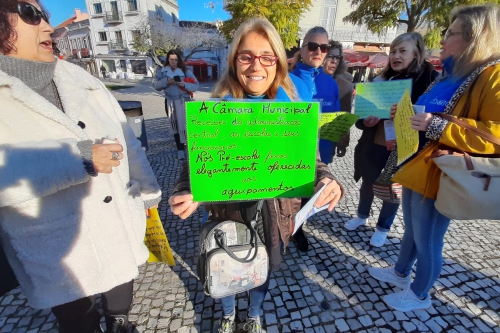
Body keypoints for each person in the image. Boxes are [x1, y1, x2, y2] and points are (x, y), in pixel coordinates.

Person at [168, 17, 344, 333]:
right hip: (227, 211)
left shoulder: (292, 109)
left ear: (277, 61)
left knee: (262, 268)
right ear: (235, 61)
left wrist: (328, 182)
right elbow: (194, 164)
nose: (255, 66)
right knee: (225, 266)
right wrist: (186, 189)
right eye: (246, 56)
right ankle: (226, 314)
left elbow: (314, 164)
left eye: (266, 56)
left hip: (275, 215)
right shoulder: (217, 109)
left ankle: (255, 314)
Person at [0, 1, 162, 332]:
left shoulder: (79, 77)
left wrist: (147, 190)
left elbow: (127, 141)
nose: (48, 26)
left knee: (121, 306)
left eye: (44, 16)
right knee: (79, 325)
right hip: (58, 250)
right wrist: (79, 158)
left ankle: (121, 322)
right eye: (30, 15)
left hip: (119, 226)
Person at [368, 4, 500, 311]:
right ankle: (401, 273)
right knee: (413, 230)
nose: (441, 39)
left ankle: (420, 294)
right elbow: (424, 112)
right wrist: (401, 114)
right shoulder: (448, 75)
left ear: (473, 38)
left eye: (449, 33)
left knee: (427, 238)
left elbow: (495, 133)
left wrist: (438, 126)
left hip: (445, 170)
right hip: (419, 163)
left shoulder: (492, 76)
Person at [346, 33, 439, 247]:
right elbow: (360, 117)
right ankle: (362, 215)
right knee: (368, 182)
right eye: (393, 51)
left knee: (393, 189)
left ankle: (383, 228)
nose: (396, 56)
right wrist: (366, 122)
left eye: (402, 51)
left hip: (404, 147)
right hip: (375, 144)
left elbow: (432, 116)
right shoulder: (379, 79)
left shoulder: (429, 80)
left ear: (416, 53)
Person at [153, 49, 199, 160]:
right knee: (175, 126)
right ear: (168, 60)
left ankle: (190, 147)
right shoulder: (162, 71)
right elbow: (155, 85)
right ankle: (180, 149)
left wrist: (184, 84)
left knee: (187, 126)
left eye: (176, 59)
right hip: (170, 102)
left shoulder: (185, 70)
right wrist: (166, 81)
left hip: (183, 101)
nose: (174, 62)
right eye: (171, 59)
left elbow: (196, 85)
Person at [323, 41, 355, 157]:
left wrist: (342, 143)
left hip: (327, 140)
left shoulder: (344, 85)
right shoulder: (309, 79)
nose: (334, 61)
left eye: (337, 57)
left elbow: (345, 115)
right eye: (330, 56)